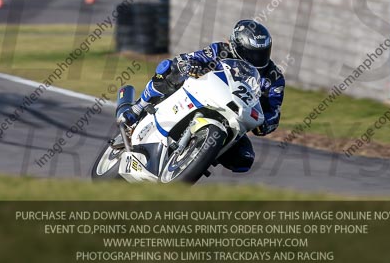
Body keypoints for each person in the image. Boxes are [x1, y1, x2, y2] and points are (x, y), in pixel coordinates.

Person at [118, 19, 286, 173]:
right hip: (204, 95)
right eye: (251, 53)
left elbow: (273, 110)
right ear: (237, 46)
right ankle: (138, 107)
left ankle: (198, 156)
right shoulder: (220, 50)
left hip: (235, 117)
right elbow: (190, 58)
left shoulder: (274, 78)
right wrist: (190, 66)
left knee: (244, 159)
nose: (256, 58)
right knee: (168, 68)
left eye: (262, 53)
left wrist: (267, 122)